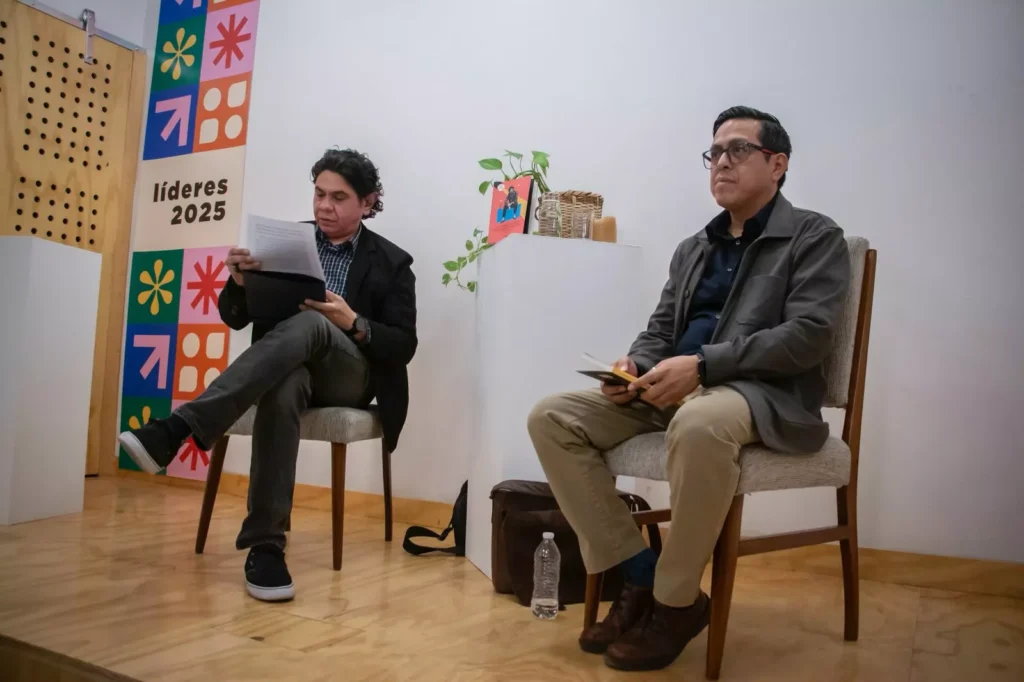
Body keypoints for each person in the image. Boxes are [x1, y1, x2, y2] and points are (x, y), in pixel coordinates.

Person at [527, 106, 850, 672]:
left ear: (777, 164)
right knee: (551, 417)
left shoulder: (815, 236)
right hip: (676, 391)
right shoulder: (693, 248)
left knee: (699, 423)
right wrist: (635, 366)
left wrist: (702, 366)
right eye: (715, 152)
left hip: (760, 397)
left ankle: (675, 603)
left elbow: (808, 336)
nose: (722, 162)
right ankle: (638, 574)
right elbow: (659, 330)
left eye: (738, 150)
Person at [119, 148, 417, 603]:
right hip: (287, 370)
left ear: (368, 202)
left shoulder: (392, 262)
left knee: (314, 322)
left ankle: (178, 427)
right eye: (319, 193)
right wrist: (239, 283)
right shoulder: (285, 242)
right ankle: (265, 547)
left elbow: (403, 345)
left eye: (339, 197)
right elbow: (234, 317)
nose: (324, 206)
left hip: (349, 378)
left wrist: (353, 321)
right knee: (284, 383)